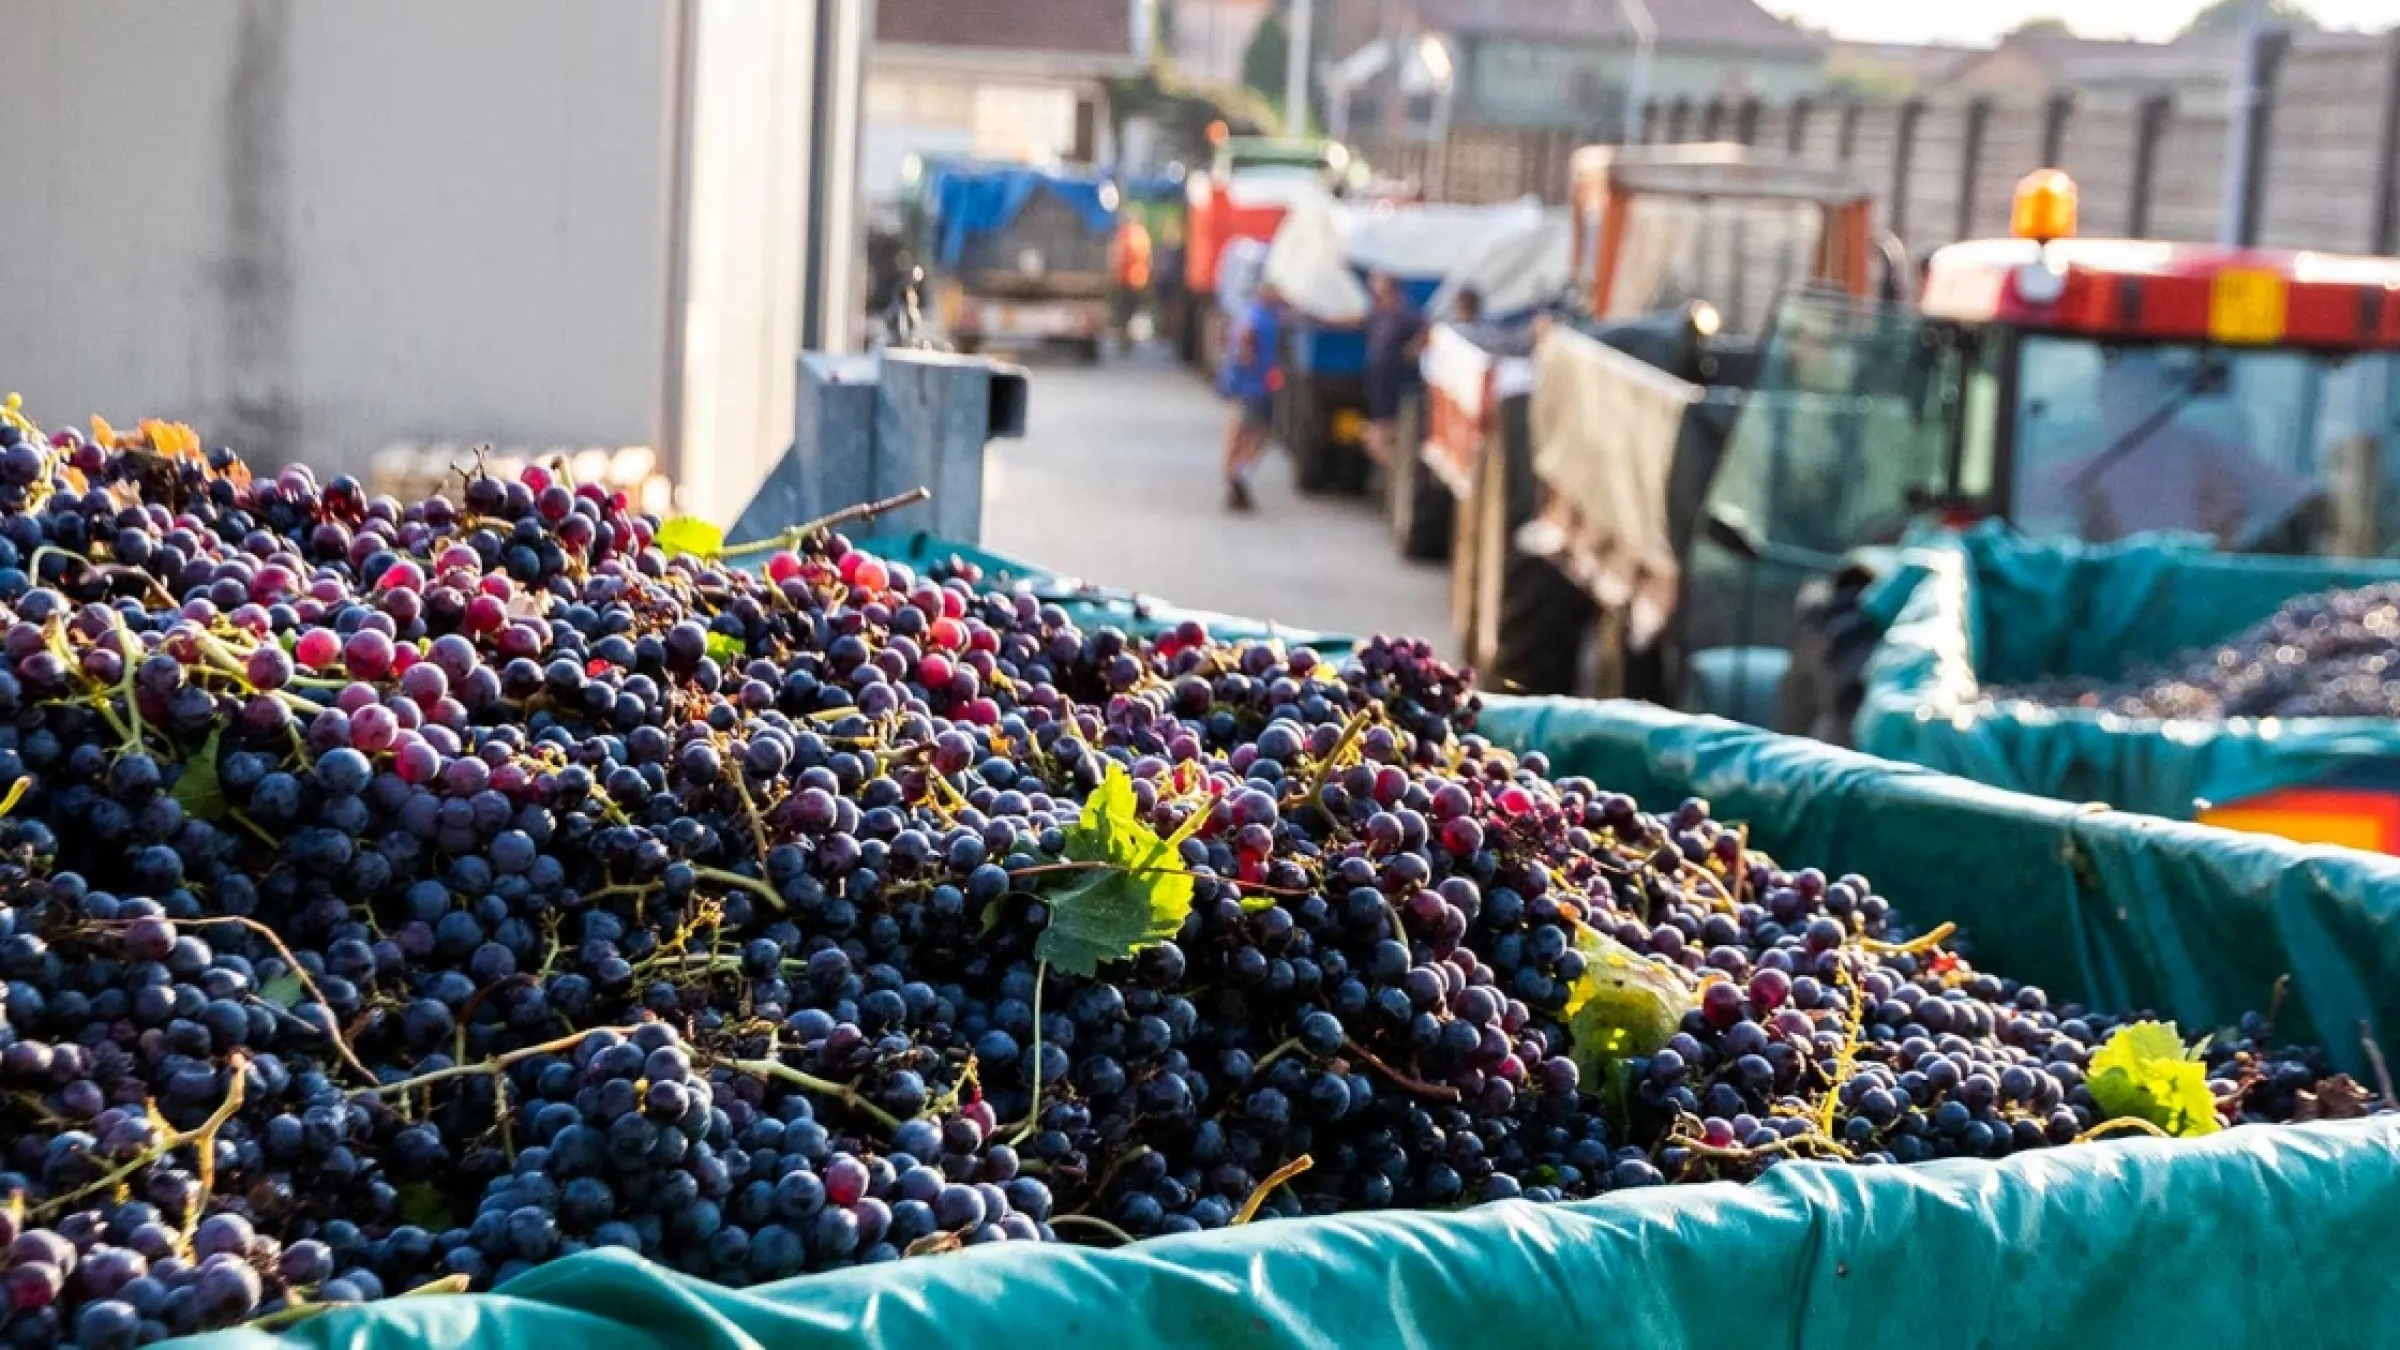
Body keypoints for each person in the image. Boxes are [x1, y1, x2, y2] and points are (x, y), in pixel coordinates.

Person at [1218, 281, 1282, 512]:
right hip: (1254, 386)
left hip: (1247, 384)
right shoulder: (1259, 319)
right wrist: (1252, 366)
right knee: (1257, 434)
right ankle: (1238, 473)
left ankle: (1235, 474)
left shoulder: (1254, 315)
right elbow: (1245, 346)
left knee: (1243, 430)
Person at [1360, 272, 1428, 472]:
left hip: (1398, 385)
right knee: (1377, 435)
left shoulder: (1405, 313)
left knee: (1385, 433)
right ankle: (1396, 470)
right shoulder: (1378, 313)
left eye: (1377, 281)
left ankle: (1400, 472)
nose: (1372, 286)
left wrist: (1413, 349)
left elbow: (1427, 331)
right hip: (1379, 385)